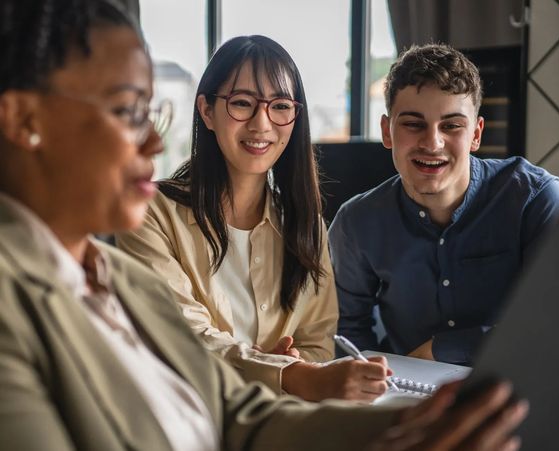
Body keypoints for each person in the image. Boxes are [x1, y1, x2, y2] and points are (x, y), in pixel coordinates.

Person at [0, 1, 529, 449]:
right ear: (25, 121)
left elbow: (244, 412)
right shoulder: (19, 296)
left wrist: (410, 427)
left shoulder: (118, 277)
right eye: (126, 111)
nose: (154, 145)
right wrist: (289, 374)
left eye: (279, 107)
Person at [116, 35, 390, 401]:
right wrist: (284, 374)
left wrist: (291, 367)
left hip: (279, 420)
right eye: (242, 103)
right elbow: (179, 337)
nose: (262, 124)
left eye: (279, 106)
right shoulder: (151, 214)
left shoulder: (306, 224)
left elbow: (317, 344)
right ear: (207, 111)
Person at [329, 43, 559, 366]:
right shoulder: (354, 224)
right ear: (387, 131)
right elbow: (348, 332)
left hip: (518, 389)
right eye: (413, 124)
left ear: (476, 134)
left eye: (451, 125)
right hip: (404, 398)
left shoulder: (535, 199)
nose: (433, 143)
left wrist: (440, 350)